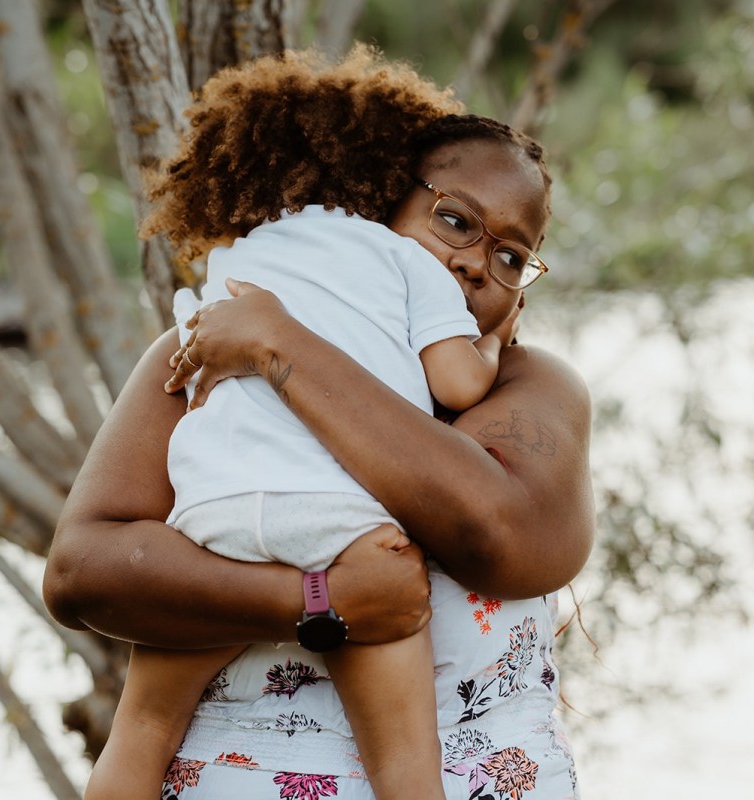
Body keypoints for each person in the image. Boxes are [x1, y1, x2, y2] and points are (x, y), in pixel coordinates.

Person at [43, 53, 595, 800]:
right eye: (454, 222)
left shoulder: (534, 386)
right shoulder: (207, 350)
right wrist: (319, 602)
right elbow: (81, 574)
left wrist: (284, 346)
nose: (475, 267)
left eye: (510, 258)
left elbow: (499, 537)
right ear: (377, 209)